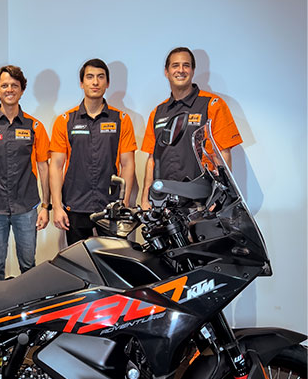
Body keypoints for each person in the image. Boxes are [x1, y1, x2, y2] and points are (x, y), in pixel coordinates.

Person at [0, 65, 50, 280]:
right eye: (4, 85)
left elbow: (44, 168)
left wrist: (45, 206)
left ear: (22, 90)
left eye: (14, 85)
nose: (9, 90)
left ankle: (29, 302)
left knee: (29, 267)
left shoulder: (35, 126)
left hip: (27, 207)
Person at [140, 47, 242, 208]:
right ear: (166, 72)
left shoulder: (212, 104)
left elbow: (223, 154)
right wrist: (145, 197)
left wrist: (220, 197)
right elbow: (152, 158)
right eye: (175, 65)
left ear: (193, 70)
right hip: (164, 203)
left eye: (186, 65)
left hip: (201, 202)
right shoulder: (157, 112)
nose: (181, 70)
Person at [49, 58, 137, 245]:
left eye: (100, 77)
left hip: (111, 206)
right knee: (78, 259)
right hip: (75, 205)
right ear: (82, 83)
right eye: (89, 77)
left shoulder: (121, 119)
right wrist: (57, 206)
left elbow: (128, 164)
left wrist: (124, 203)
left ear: (107, 83)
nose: (95, 82)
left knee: (113, 258)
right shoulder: (65, 121)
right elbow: (56, 166)